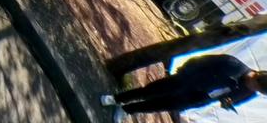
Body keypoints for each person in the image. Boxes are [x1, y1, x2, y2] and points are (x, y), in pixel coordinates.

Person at [101, 54, 266, 119]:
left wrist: (229, 102)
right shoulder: (232, 64)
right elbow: (202, 61)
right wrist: (185, 71)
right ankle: (116, 99)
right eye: (256, 87)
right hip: (187, 81)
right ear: (257, 77)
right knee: (151, 92)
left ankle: (127, 110)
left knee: (161, 105)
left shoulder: (250, 92)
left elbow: (231, 100)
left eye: (258, 91)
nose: (254, 90)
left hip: (198, 98)